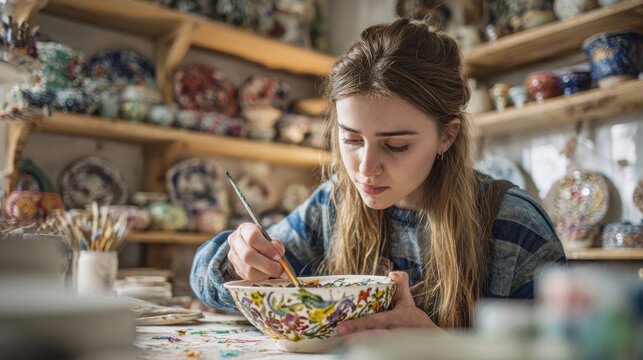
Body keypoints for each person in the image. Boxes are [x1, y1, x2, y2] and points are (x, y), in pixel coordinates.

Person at [190, 18, 566, 333]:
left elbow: (569, 352)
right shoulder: (333, 204)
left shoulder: (513, 225)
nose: (365, 168)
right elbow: (205, 279)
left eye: (397, 145)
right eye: (351, 140)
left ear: (446, 136)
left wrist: (447, 351)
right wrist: (236, 260)